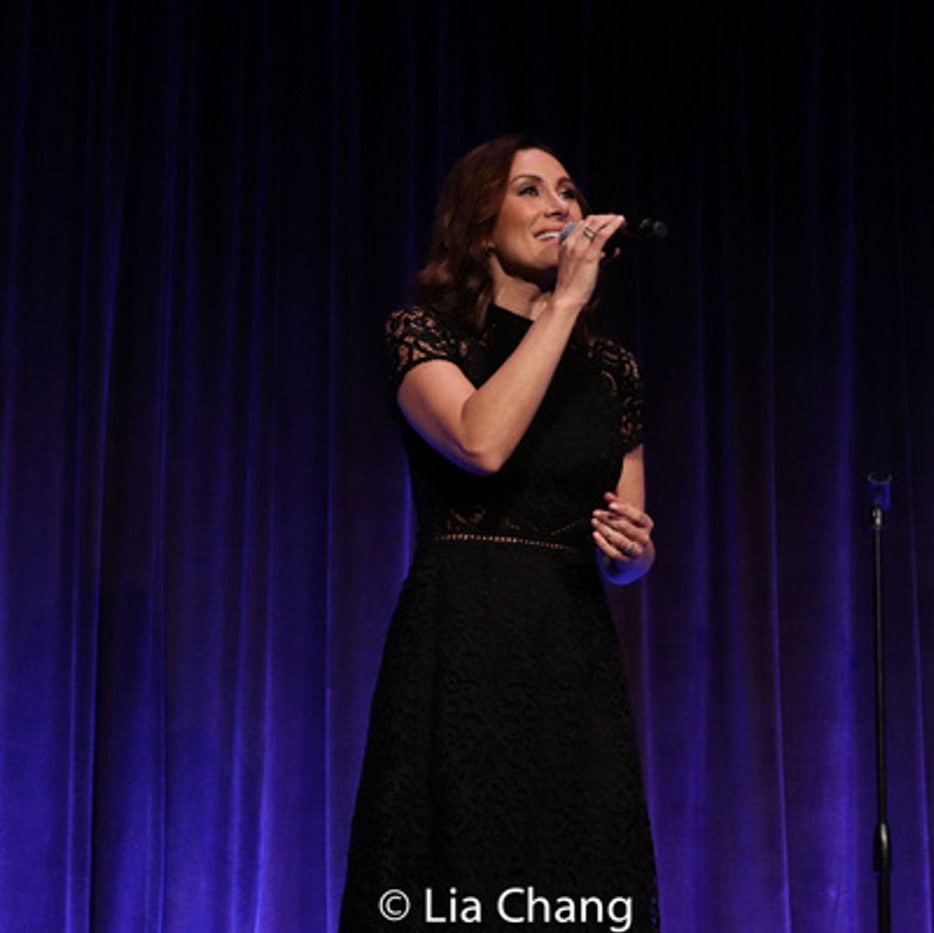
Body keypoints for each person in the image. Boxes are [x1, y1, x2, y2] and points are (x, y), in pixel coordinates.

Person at [339, 135, 660, 933]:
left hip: (571, 647)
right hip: (463, 642)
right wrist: (564, 306)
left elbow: (626, 541)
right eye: (531, 190)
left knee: (580, 877)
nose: (560, 205)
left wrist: (635, 553)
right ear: (482, 225)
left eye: (569, 190)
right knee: (457, 876)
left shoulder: (612, 371)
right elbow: (481, 442)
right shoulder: (425, 336)